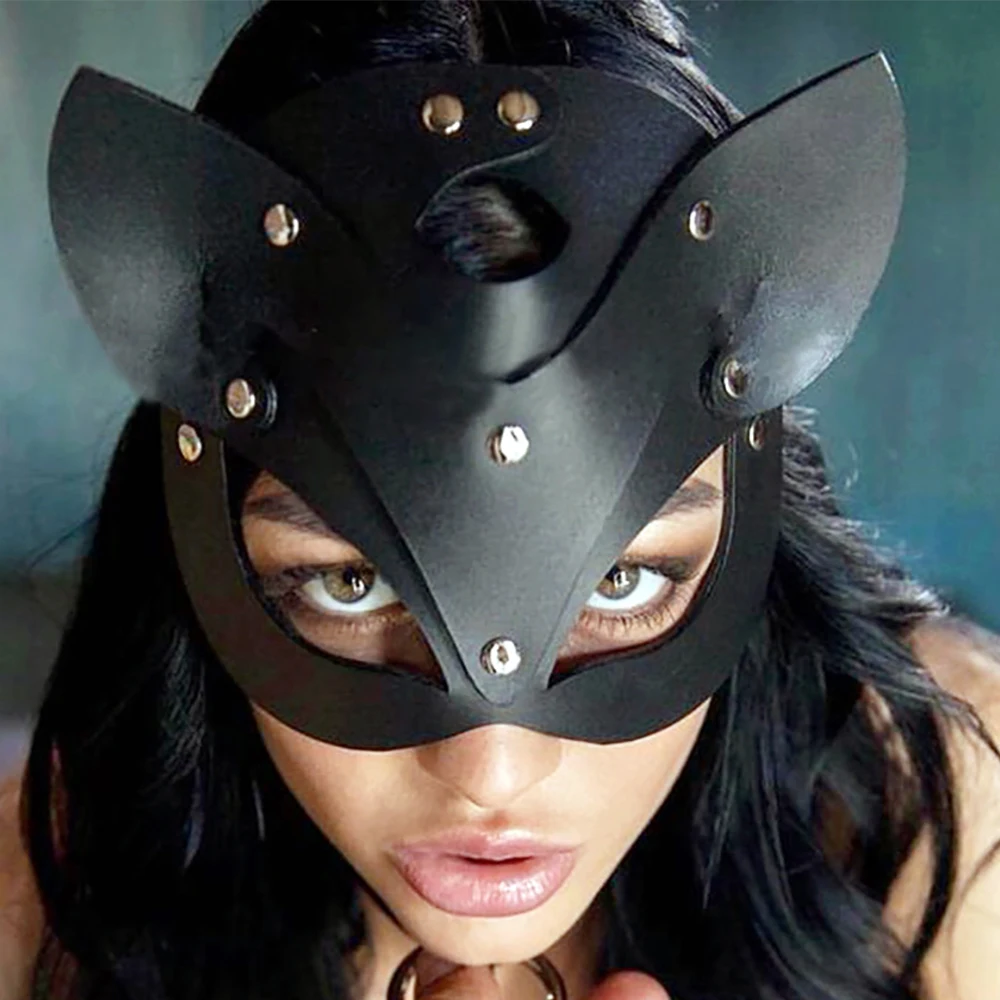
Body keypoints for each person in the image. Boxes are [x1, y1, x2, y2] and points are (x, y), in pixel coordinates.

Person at [1, 2, 999, 999]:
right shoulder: (32, 914)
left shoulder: (952, 813)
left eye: (622, 579)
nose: (493, 774)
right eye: (349, 584)